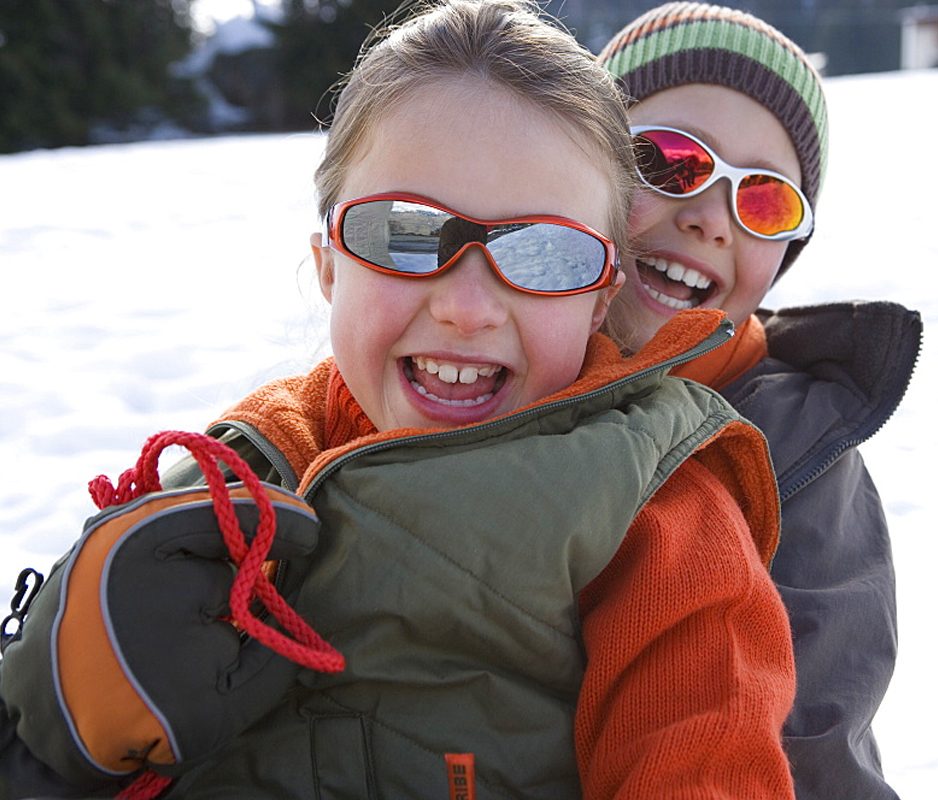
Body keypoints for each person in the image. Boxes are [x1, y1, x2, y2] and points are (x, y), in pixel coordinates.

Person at [0, 2, 798, 798]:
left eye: (545, 253)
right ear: (329, 265)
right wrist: (49, 702)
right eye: (405, 234)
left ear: (599, 301)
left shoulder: (657, 516)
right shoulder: (242, 465)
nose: (468, 307)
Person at [598, 4, 923, 799]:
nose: (711, 219)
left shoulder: (801, 455)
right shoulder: (479, 366)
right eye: (670, 161)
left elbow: (817, 753)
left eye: (765, 201)